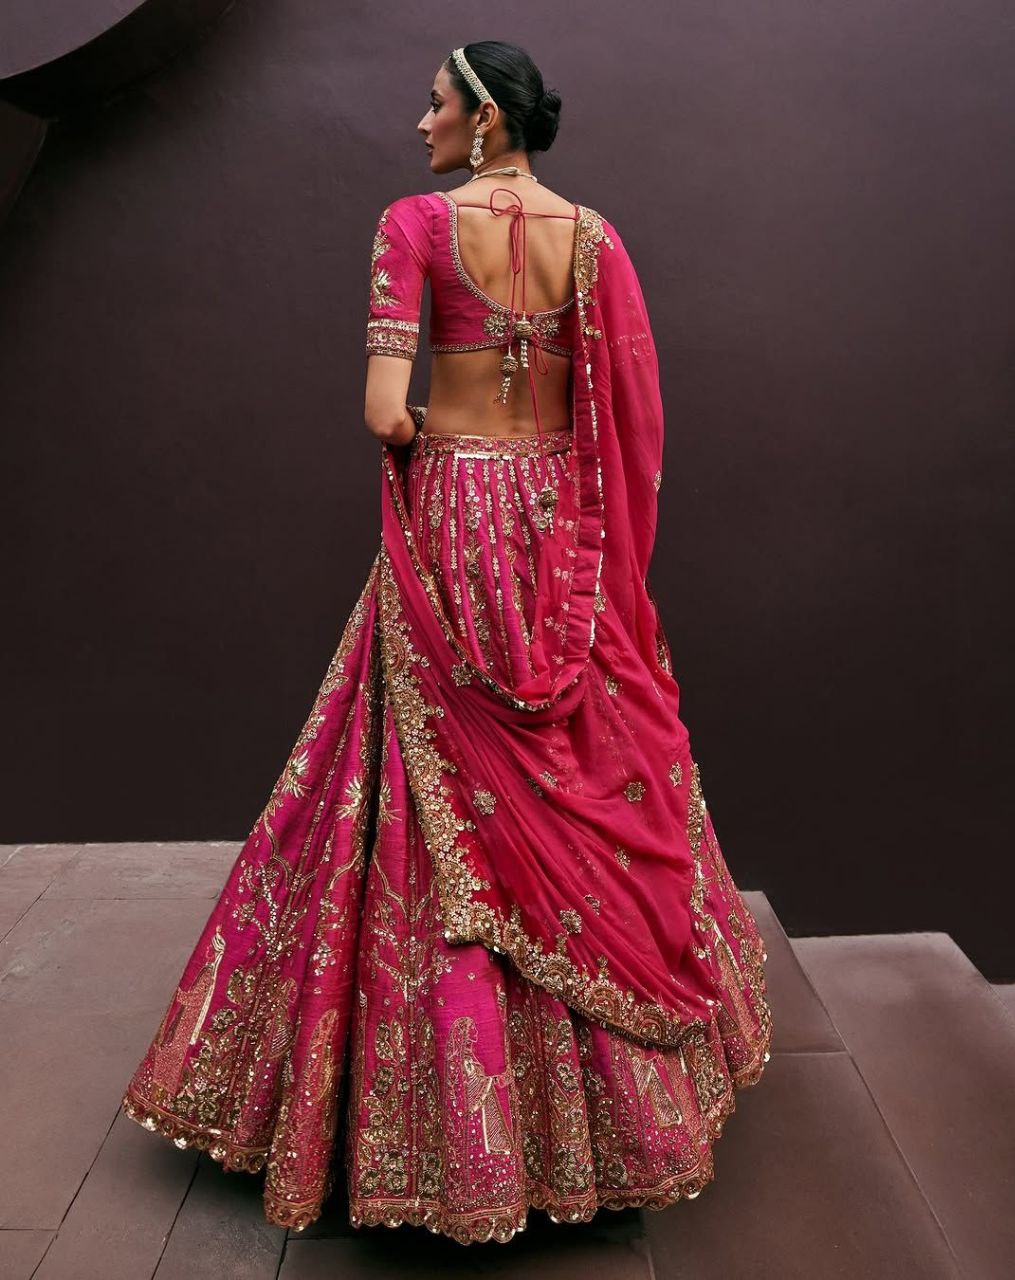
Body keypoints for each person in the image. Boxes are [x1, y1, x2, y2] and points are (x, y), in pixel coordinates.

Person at [121, 41, 774, 1246]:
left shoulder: (414, 224)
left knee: (416, 793)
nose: (418, 121)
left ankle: (446, 1133)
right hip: (559, 530)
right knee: (581, 759)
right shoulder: (594, 239)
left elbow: (384, 409)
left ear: (482, 120)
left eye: (433, 104)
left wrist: (432, 425)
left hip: (456, 519)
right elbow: (623, 415)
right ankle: (618, 1114)